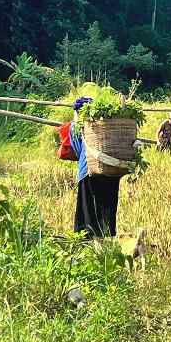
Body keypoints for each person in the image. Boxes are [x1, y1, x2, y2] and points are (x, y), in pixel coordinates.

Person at [69, 97, 122, 238]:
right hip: (111, 170)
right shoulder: (107, 124)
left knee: (88, 210)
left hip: (88, 171)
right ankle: (104, 242)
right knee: (106, 207)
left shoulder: (76, 126)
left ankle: (90, 244)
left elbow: (77, 149)